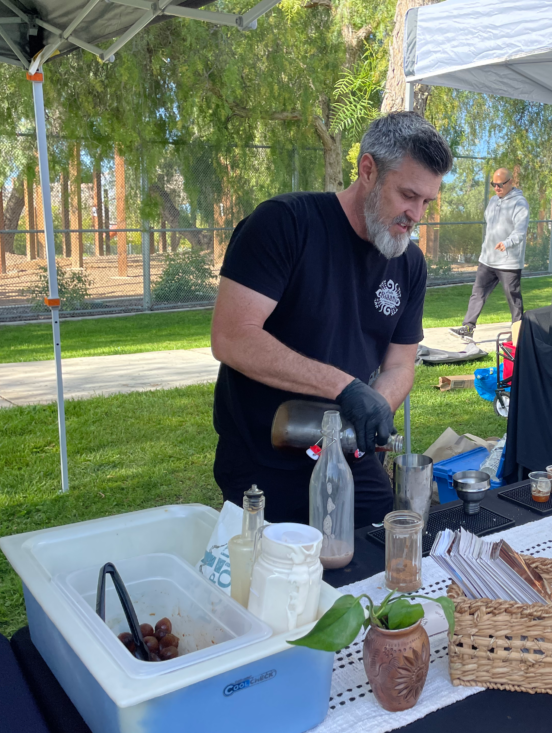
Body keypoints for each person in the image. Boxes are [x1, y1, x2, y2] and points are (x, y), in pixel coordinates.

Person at [210, 111, 452, 528]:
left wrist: (372, 409)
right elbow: (231, 337)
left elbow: (399, 364)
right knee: (279, 584)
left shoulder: (409, 263)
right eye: (407, 195)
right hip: (264, 460)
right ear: (368, 170)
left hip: (348, 457)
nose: (416, 214)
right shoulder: (285, 224)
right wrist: (346, 388)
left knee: (387, 559)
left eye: (426, 201)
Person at [448, 167, 529, 340]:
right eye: (494, 184)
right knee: (477, 293)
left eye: (500, 184)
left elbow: (520, 232)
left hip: (509, 263)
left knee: (513, 300)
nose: (497, 188)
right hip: (487, 260)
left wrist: (506, 243)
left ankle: (518, 334)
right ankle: (467, 329)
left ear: (511, 182)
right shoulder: (493, 201)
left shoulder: (520, 203)